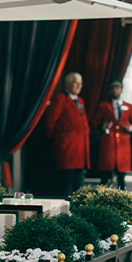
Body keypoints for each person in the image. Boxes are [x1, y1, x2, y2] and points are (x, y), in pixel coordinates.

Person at [44, 71, 90, 199]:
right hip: (67, 148)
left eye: (80, 83)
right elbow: (50, 122)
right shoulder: (59, 99)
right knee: (67, 183)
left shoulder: (80, 100)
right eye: (76, 83)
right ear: (67, 84)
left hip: (80, 149)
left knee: (78, 181)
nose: (79, 86)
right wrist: (54, 139)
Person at [91, 79, 132, 189]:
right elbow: (94, 122)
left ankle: (122, 197)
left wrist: (130, 128)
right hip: (108, 144)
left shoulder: (129, 106)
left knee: (121, 176)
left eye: (117, 88)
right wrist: (102, 126)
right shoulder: (103, 106)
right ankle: (103, 196)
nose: (115, 90)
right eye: (112, 88)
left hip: (123, 146)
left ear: (121, 89)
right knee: (105, 176)